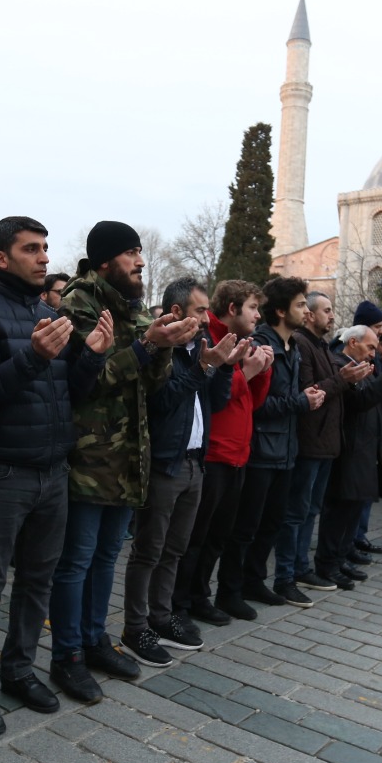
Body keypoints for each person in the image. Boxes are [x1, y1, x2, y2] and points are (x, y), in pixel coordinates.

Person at [0, 217, 107, 736]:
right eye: (31, 249)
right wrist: (35, 357)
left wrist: (91, 358)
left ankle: (18, 670)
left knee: (38, 581)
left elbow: (67, 393)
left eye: (45, 248)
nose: (43, 258)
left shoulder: (49, 315)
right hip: (1, 472)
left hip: (52, 471)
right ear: (0, 258)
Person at [49, 222, 197, 698]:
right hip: (90, 459)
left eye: (139, 252)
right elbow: (90, 379)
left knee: (106, 557)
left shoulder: (130, 306)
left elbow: (150, 384)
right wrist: (147, 345)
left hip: (127, 459)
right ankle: (67, 655)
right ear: (106, 260)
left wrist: (163, 347)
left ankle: (95, 640)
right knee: (77, 561)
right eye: (132, 252)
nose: (141, 261)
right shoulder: (79, 303)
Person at [119, 278, 239, 665]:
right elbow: (162, 403)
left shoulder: (197, 350)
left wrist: (223, 367)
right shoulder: (162, 351)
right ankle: (136, 627)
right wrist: (203, 367)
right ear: (176, 311)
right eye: (200, 310)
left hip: (193, 464)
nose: (206, 318)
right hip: (165, 464)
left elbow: (216, 403)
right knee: (148, 551)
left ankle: (161, 616)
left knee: (174, 550)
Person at [173, 281, 273, 624]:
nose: (258, 316)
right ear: (232, 309)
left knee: (218, 536)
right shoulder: (212, 338)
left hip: (238, 454)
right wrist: (248, 370)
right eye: (252, 308)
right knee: (196, 538)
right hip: (213, 454)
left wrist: (263, 371)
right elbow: (217, 397)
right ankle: (180, 602)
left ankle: (200, 596)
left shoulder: (241, 340)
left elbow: (251, 402)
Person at [237, 278, 324, 608]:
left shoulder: (292, 346)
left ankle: (254, 581)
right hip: (261, 449)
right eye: (300, 305)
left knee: (273, 523)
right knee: (249, 525)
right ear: (281, 311)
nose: (306, 311)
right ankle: (238, 586)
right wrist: (301, 402)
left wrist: (304, 397)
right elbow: (257, 403)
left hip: (286, 450)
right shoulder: (262, 344)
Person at [315, 326, 382, 586]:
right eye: (371, 347)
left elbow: (380, 405)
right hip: (348, 450)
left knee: (353, 511)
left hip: (364, 449)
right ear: (353, 342)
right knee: (339, 512)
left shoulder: (361, 367)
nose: (374, 353)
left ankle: (340, 559)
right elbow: (360, 401)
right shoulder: (341, 365)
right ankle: (327, 564)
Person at [282, 292, 361, 597]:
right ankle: (290, 572)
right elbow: (309, 392)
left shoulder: (322, 345)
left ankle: (301, 568)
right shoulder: (303, 344)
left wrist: (347, 380)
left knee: (310, 510)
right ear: (310, 315)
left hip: (326, 443)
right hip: (310, 442)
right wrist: (343, 379)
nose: (332, 315)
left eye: (331, 310)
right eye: (326, 310)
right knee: (297, 512)